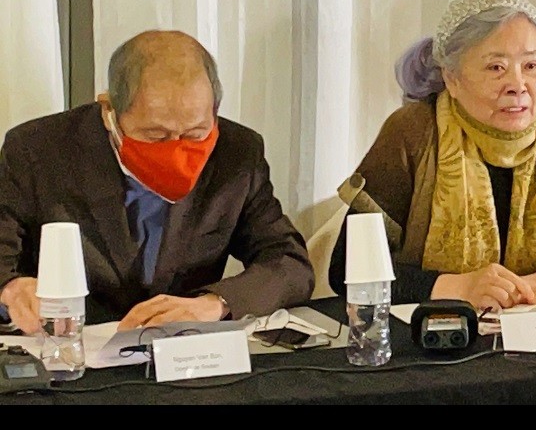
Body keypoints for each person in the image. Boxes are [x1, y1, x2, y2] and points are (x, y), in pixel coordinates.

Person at [329, 0, 536, 310]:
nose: (518, 85)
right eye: (495, 68)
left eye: (531, 66)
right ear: (452, 79)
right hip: (440, 332)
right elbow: (348, 268)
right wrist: (456, 287)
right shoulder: (414, 132)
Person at [0, 30, 315, 334]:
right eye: (155, 136)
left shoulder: (237, 154)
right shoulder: (36, 151)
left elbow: (289, 263)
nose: (176, 151)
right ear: (109, 111)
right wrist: (12, 289)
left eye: (195, 134)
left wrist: (215, 303)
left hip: (183, 352)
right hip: (69, 347)